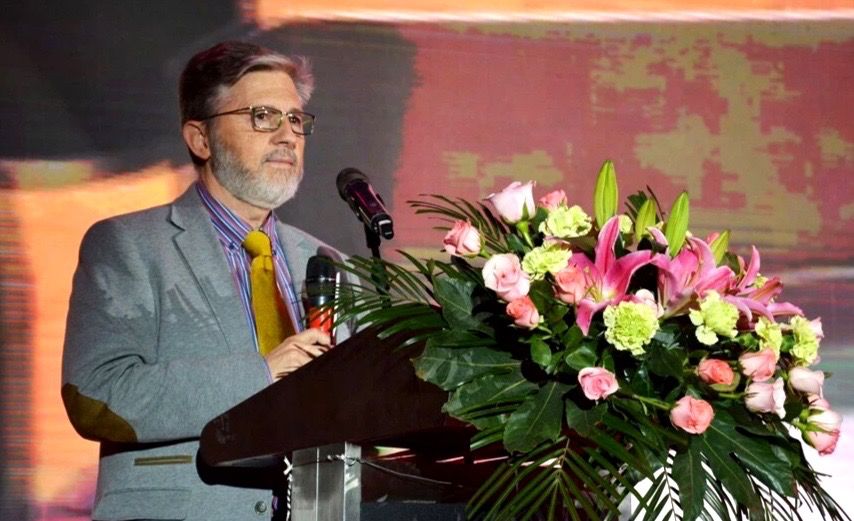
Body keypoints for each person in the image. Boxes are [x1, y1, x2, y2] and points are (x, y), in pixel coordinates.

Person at [61, 41, 346, 521]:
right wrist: (262, 372)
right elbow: (96, 394)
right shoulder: (129, 246)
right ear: (201, 138)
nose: (287, 136)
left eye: (296, 119)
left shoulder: (326, 261)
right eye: (262, 116)